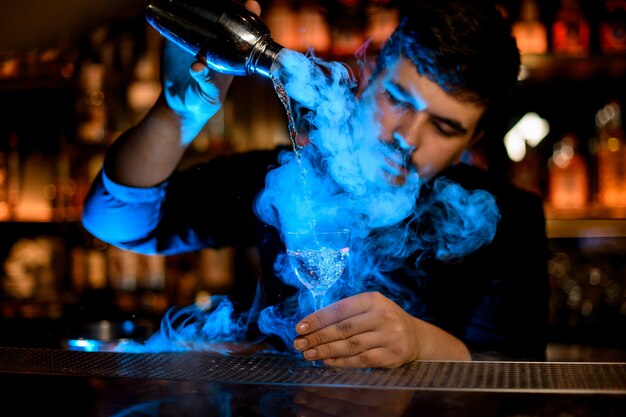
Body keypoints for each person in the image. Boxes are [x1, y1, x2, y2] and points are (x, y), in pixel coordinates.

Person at [82, 0, 549, 368]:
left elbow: (516, 371)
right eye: (397, 98)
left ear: (475, 138)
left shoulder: (510, 219)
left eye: (444, 128)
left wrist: (421, 343)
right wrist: (177, 115)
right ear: (369, 80)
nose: (407, 137)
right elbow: (117, 223)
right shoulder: (295, 178)